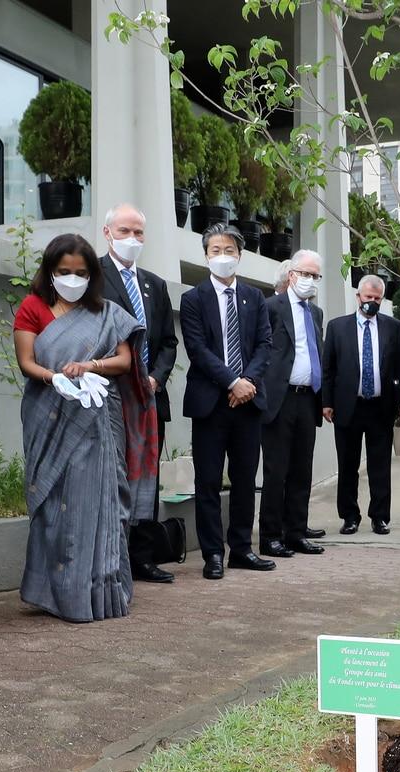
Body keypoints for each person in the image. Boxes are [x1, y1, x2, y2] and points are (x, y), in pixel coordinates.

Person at [13, 234, 152, 622]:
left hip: (96, 416)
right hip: (48, 412)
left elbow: (125, 361)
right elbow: (26, 361)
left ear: (92, 275)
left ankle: (100, 588)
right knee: (54, 502)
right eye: (64, 272)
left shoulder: (107, 312)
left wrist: (89, 367)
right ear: (50, 272)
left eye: (81, 273)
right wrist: (53, 378)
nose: (72, 279)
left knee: (102, 498)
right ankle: (53, 593)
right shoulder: (32, 308)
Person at [179, 223, 273, 580]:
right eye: (215, 251)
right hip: (210, 403)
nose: (223, 257)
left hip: (249, 402)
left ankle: (242, 550)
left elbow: (265, 345)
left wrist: (247, 382)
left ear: (240, 254)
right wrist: (232, 381)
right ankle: (213, 554)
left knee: (246, 479)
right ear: (205, 255)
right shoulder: (193, 299)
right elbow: (197, 349)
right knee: (207, 482)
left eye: (229, 250)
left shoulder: (255, 298)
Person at [99, 203, 178, 585]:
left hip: (149, 397)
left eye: (139, 233)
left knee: (147, 478)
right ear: (107, 232)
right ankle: (113, 558)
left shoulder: (155, 283)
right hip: (112, 396)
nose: (133, 239)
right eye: (125, 231)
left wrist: (156, 378)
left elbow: (168, 342)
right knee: (113, 477)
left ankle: (142, 557)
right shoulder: (93, 276)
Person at [322, 274, 400, 535]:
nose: (372, 302)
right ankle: (349, 516)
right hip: (347, 406)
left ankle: (380, 516)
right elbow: (328, 368)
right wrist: (326, 402)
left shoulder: (392, 327)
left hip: (381, 406)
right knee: (347, 465)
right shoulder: (337, 327)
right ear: (358, 297)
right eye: (368, 297)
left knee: (380, 464)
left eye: (377, 298)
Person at [258, 250, 326, 558]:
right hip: (279, 399)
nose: (311, 281)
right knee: (276, 471)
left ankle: (296, 532)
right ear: (292, 275)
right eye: (307, 274)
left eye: (316, 276)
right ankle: (271, 535)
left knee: (302, 470)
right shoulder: (271, 307)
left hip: (307, 398)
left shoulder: (316, 313)